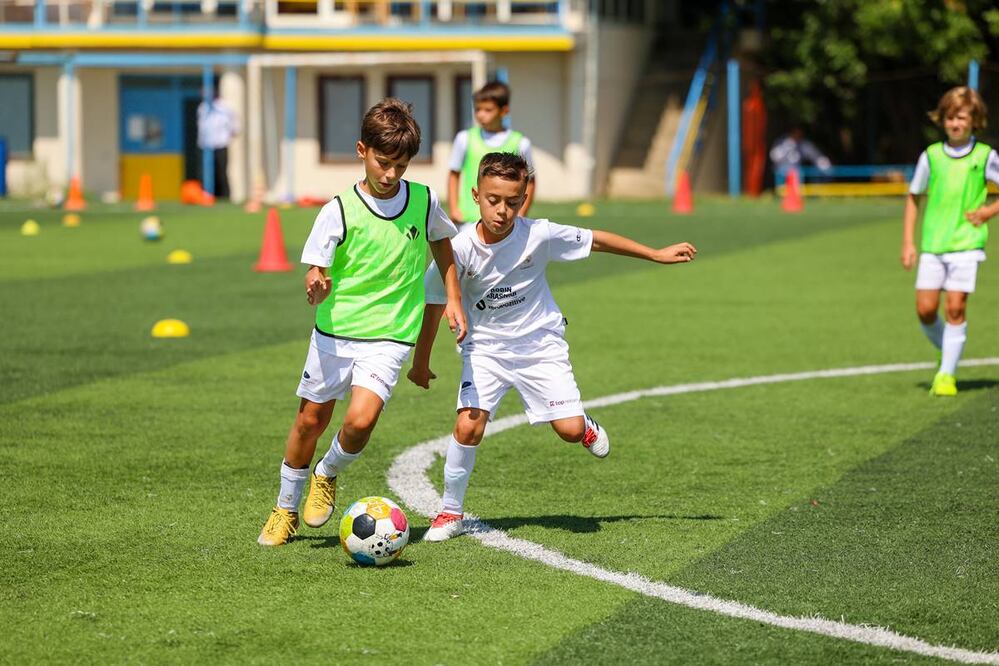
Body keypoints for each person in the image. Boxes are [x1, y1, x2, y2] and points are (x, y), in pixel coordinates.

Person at [409, 152, 697, 542]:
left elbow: (597, 240)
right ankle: (450, 512)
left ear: (524, 197)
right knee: (468, 423)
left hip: (540, 347)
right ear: (476, 195)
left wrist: (654, 254)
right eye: (494, 200)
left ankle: (585, 426)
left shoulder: (538, 234)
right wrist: (421, 362)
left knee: (569, 429)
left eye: (513, 201)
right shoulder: (457, 249)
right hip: (486, 351)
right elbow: (434, 303)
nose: (503, 210)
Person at [257, 98, 467, 546]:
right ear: (361, 150)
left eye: (401, 165)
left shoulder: (424, 200)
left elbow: (443, 246)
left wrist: (453, 298)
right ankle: (285, 508)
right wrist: (316, 284)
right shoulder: (338, 209)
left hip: (390, 335)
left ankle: (327, 472)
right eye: (383, 162)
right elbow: (316, 268)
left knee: (360, 420)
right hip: (335, 333)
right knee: (310, 422)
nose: (391, 174)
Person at [901, 86, 999, 397]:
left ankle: (946, 374)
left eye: (961, 118)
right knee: (925, 310)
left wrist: (987, 212)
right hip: (934, 244)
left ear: (974, 121)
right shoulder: (930, 157)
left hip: (967, 244)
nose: (955, 124)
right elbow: (914, 197)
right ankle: (948, 350)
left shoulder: (986, 156)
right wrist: (908, 242)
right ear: (941, 120)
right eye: (949, 118)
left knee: (955, 307)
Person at [449, 80, 535, 223]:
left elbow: (530, 182)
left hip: (505, 220)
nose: (481, 114)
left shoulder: (520, 143)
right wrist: (454, 209)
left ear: (504, 111)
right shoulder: (464, 138)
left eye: (488, 110)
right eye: (477, 109)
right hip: (468, 220)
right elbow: (453, 174)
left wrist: (521, 212)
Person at [197, 90, 239, 199]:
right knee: (205, 172)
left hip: (221, 144)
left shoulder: (225, 108)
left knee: (222, 172)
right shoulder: (202, 108)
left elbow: (234, 126)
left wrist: (231, 133)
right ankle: (207, 196)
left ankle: (225, 196)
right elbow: (202, 127)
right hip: (206, 146)